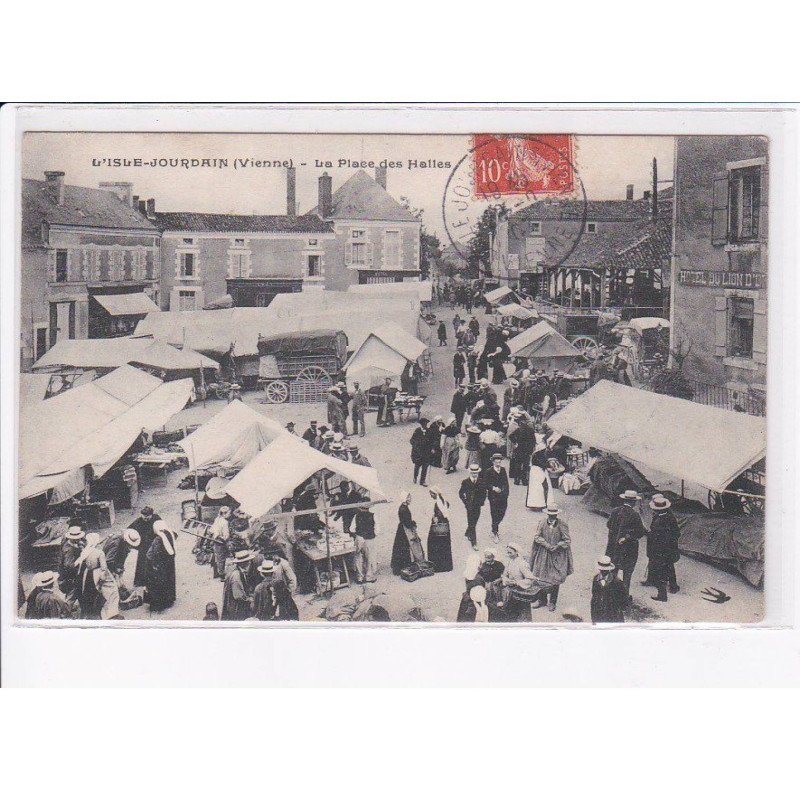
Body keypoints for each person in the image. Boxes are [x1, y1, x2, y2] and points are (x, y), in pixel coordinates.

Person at [530, 505, 573, 612]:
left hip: (556, 555)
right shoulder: (542, 523)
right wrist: (546, 544)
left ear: (556, 514)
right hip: (543, 553)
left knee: (555, 579)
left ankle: (552, 602)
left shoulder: (562, 525)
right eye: (550, 515)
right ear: (547, 514)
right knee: (541, 576)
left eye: (554, 515)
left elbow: (567, 540)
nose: (551, 517)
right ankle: (542, 600)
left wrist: (557, 545)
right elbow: (537, 537)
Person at [606, 490, 647, 595]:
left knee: (612, 571)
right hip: (629, 549)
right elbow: (640, 532)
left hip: (613, 547)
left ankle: (610, 594)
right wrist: (628, 537)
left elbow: (609, 525)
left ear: (624, 499)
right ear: (634, 502)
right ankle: (623, 597)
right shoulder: (635, 515)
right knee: (627, 574)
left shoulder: (615, 511)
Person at [76, 532, 121, 620]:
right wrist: (103, 578)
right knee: (112, 591)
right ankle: (111, 613)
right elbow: (104, 567)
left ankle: (90, 612)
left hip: (88, 573)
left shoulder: (85, 551)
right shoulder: (99, 553)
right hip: (98, 572)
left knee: (90, 593)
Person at [645, 494, 681, 601]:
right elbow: (676, 532)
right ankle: (673, 587)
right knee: (669, 567)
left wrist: (649, 535)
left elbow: (656, 537)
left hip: (660, 550)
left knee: (661, 570)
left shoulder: (658, 521)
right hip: (670, 549)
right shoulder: (670, 517)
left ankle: (662, 595)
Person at [145, 520, 178, 612]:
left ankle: (159, 604)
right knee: (169, 580)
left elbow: (153, 554)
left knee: (157, 583)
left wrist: (154, 565)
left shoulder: (158, 539)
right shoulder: (169, 533)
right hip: (169, 562)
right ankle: (169, 599)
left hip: (159, 564)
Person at [102, 527, 140, 596]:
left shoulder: (122, 541)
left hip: (116, 561)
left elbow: (123, 556)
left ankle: (120, 589)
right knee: (113, 584)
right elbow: (108, 560)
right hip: (109, 564)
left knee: (119, 581)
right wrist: (116, 570)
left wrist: (120, 568)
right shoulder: (116, 544)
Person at [130, 506, 161, 588]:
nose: (145, 518)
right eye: (144, 516)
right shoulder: (138, 521)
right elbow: (129, 530)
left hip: (154, 545)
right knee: (142, 563)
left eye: (148, 517)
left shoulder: (156, 519)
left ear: (152, 515)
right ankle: (140, 582)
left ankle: (155, 581)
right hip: (143, 546)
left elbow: (162, 528)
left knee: (155, 562)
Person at [590, 556, 628, 623]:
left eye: (606, 570)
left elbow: (623, 598)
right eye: (602, 570)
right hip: (599, 613)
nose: (604, 572)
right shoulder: (596, 579)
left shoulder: (617, 582)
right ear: (599, 569)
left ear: (609, 569)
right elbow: (594, 596)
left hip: (613, 615)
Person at [459, 464, 487, 550]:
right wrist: (465, 501)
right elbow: (461, 493)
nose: (474, 474)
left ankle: (468, 532)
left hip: (478, 506)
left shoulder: (481, 482)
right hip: (469, 506)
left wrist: (482, 501)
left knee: (474, 521)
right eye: (473, 473)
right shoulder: (465, 482)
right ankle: (474, 543)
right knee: (472, 524)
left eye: (476, 473)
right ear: (470, 473)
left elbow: (484, 492)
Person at [391, 493, 421, 575]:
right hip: (404, 530)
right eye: (408, 498)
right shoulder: (403, 509)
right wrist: (413, 524)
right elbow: (407, 522)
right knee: (403, 547)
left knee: (401, 547)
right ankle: (402, 566)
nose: (410, 499)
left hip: (402, 529)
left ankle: (401, 566)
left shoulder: (404, 507)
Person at [426, 486, 453, 573]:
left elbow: (439, 515)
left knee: (434, 544)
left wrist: (435, 518)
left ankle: (437, 566)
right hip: (445, 525)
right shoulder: (444, 500)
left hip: (438, 527)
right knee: (444, 545)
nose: (431, 496)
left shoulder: (437, 503)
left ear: (435, 494)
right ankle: (446, 565)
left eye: (431, 494)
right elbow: (448, 505)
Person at [221, 550, 254, 620]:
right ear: (243, 563)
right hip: (236, 607)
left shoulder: (237, 571)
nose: (249, 563)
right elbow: (238, 595)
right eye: (248, 561)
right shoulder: (236, 575)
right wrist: (249, 599)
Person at [483, 453, 509, 541]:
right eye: (496, 461)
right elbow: (485, 484)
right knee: (494, 514)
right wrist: (493, 488)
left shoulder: (503, 470)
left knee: (502, 512)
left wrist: (505, 493)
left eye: (499, 460)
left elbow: (506, 483)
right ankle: (495, 531)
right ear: (493, 462)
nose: (498, 462)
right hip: (493, 497)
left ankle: (495, 526)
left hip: (503, 496)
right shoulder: (488, 471)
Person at [352, 496, 377, 583]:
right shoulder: (373, 516)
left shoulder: (356, 516)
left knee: (358, 557)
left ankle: (360, 577)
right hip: (370, 539)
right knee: (370, 557)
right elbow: (378, 529)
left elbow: (352, 528)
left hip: (359, 538)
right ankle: (369, 576)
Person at [58, 525, 86, 601]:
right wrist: (80, 559)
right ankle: (66, 610)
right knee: (71, 595)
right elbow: (69, 565)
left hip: (71, 575)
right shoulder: (69, 550)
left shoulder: (69, 542)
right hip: (70, 576)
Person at [210, 506, 232, 580]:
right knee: (221, 558)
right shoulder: (225, 522)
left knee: (217, 557)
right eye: (229, 513)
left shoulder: (217, 519)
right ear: (224, 513)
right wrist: (227, 541)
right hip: (221, 541)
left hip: (215, 539)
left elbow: (212, 529)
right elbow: (226, 535)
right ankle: (222, 575)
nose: (230, 515)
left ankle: (216, 573)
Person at [410, 418, 431, 486]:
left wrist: (432, 448)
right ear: (421, 424)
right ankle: (415, 477)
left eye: (426, 424)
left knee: (425, 467)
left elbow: (432, 440)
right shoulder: (417, 431)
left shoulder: (429, 431)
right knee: (417, 466)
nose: (425, 425)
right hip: (418, 452)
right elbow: (412, 440)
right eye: (423, 424)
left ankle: (422, 481)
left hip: (426, 452)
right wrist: (416, 445)